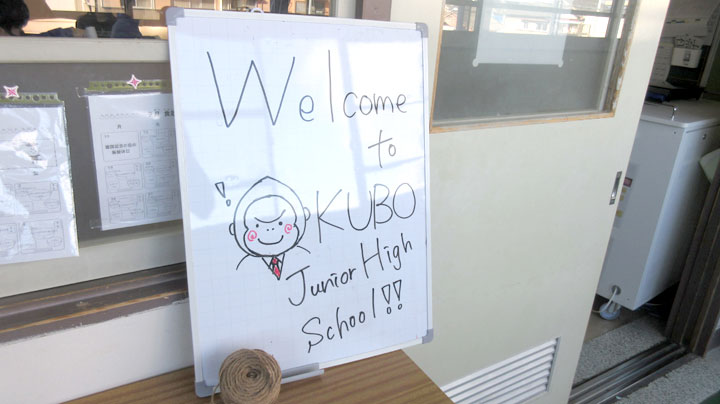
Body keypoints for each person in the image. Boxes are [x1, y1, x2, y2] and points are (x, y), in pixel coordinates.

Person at [229, 176, 310, 280]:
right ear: (235, 229)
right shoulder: (243, 267)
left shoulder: (305, 256)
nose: (270, 229)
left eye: (280, 223)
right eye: (257, 226)